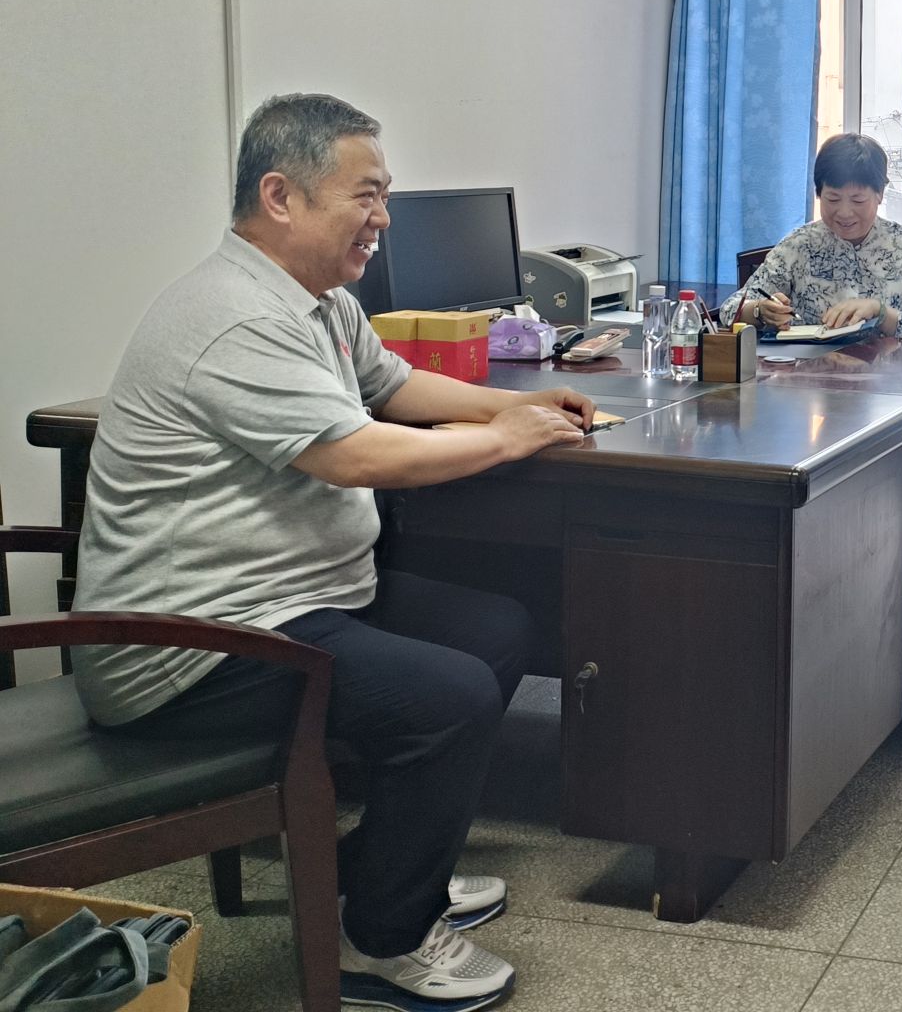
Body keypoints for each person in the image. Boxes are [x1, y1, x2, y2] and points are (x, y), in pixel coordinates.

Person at [73, 94, 596, 1009]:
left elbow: (393, 387)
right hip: (187, 647)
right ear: (281, 196)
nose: (383, 218)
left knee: (498, 631)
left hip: (292, 601)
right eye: (366, 195)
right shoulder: (234, 318)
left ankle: (384, 871)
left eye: (385, 195)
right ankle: (380, 942)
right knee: (449, 697)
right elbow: (355, 453)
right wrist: (504, 439)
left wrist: (524, 406)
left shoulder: (319, 304)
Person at [720, 132, 902, 340]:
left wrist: (880, 312)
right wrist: (759, 311)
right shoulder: (799, 244)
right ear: (819, 194)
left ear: (879, 194)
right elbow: (729, 310)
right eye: (833, 199)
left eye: (857, 200)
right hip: (809, 368)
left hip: (888, 369)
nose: (845, 212)